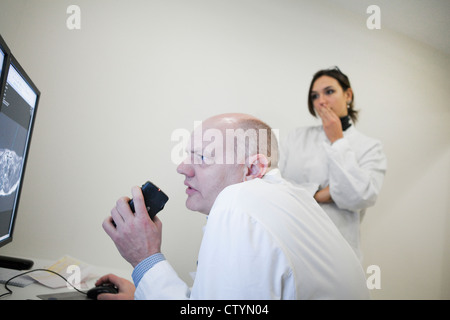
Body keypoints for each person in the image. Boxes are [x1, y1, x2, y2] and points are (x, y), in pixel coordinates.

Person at [99, 113, 370, 300]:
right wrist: (144, 291)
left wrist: (145, 258)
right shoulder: (292, 201)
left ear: (253, 168)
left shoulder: (238, 201)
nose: (182, 168)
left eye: (202, 157)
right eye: (187, 155)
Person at [279, 67, 387, 261]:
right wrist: (319, 194)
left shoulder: (370, 147)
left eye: (329, 92)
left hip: (338, 253)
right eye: (314, 96)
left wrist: (337, 140)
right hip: (291, 245)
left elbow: (361, 196)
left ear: (348, 95)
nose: (321, 101)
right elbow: (277, 187)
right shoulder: (296, 137)